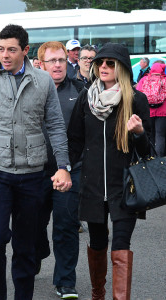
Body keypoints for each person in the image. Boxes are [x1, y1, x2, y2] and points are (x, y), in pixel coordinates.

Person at [0, 24, 72, 300]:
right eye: (1, 50)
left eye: (12, 50)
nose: (5, 55)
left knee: (26, 247)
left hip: (33, 173)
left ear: (25, 51)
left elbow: (56, 125)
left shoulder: (43, 81)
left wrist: (62, 165)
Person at [67, 42, 151, 300]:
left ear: (122, 68)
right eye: (100, 62)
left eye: (110, 63)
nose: (103, 66)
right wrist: (65, 170)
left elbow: (149, 152)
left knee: (121, 244)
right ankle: (98, 294)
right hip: (92, 184)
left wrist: (138, 134)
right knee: (98, 243)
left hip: (125, 184)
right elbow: (75, 140)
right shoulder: (86, 97)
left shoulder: (136, 99)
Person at [38, 41, 84, 299]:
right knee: (32, 226)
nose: (57, 65)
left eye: (61, 60)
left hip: (70, 170)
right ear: (40, 64)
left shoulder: (80, 91)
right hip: (34, 170)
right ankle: (36, 253)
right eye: (52, 60)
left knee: (66, 225)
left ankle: (65, 281)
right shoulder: (30, 90)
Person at [136, 62, 166, 157]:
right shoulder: (164, 80)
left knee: (151, 136)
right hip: (163, 113)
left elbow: (138, 93)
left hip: (148, 112)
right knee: (160, 136)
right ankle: (160, 159)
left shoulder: (144, 79)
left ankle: (151, 158)